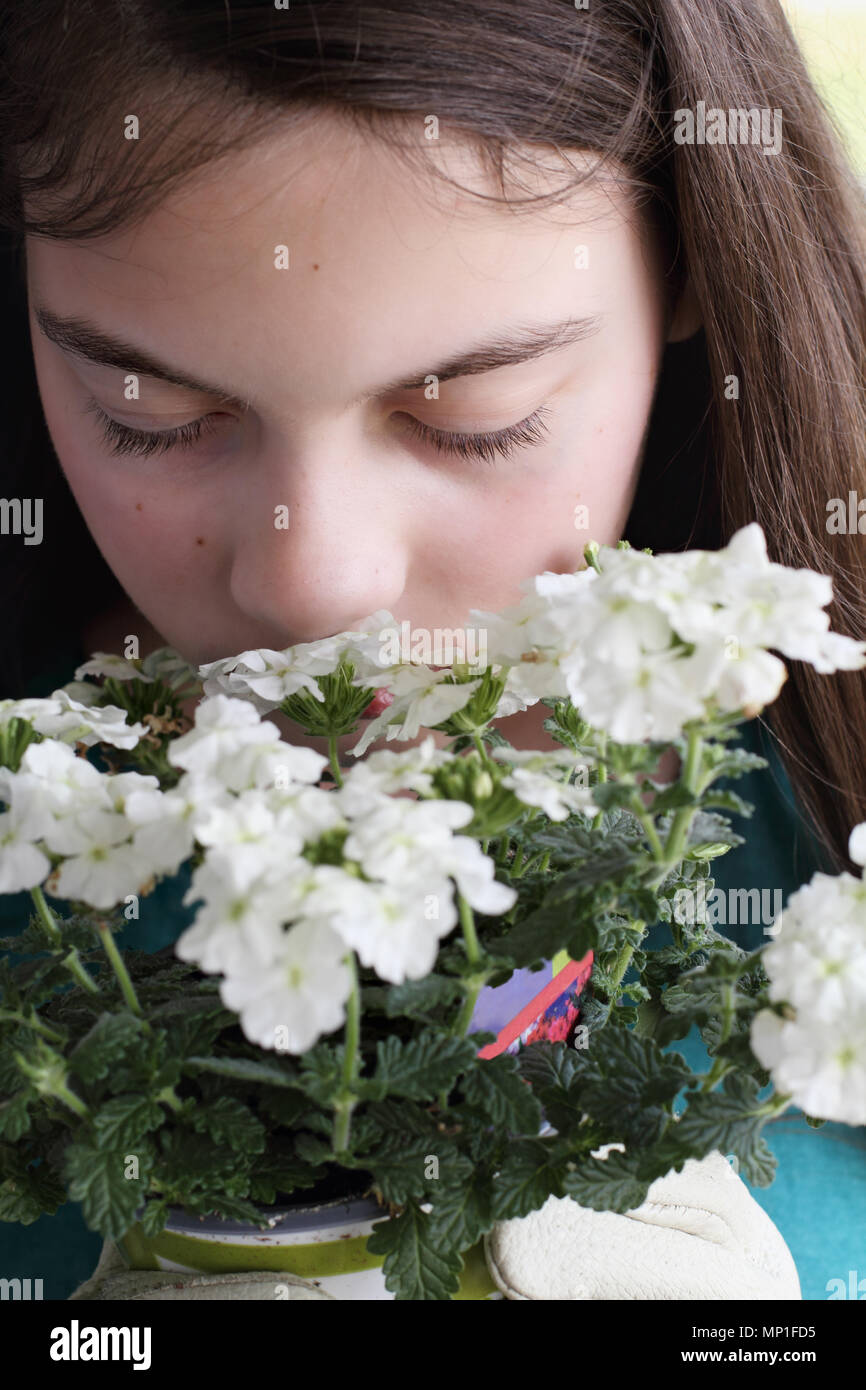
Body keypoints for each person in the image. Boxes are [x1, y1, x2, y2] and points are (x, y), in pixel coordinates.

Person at [0, 0, 864, 1300]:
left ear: (689, 258)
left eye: (471, 419)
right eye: (150, 412)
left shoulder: (817, 812)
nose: (312, 581)